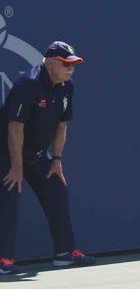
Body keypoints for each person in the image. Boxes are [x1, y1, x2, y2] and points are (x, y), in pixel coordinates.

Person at [0, 41, 95, 276]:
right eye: (65, 64)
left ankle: (65, 253)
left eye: (73, 65)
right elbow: (15, 128)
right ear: (51, 62)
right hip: (7, 153)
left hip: (38, 155)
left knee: (56, 191)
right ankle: (4, 260)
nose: (70, 69)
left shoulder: (66, 86)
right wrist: (16, 166)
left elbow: (62, 125)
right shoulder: (28, 84)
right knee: (9, 201)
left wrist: (57, 160)